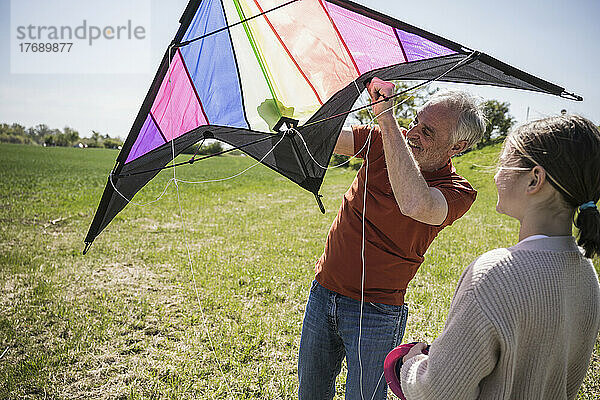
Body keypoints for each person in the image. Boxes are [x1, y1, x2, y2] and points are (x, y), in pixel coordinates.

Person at [298, 78, 486, 400]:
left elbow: (416, 203)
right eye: (415, 121)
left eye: (428, 132)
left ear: (457, 147)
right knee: (311, 393)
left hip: (376, 313)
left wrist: (386, 117)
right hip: (323, 292)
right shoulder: (381, 141)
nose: (412, 133)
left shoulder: (458, 190)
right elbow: (319, 139)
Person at [398, 115, 600, 399]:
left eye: (504, 164)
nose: (496, 175)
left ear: (534, 179)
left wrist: (410, 365)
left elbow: (436, 391)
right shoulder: (588, 274)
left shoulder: (494, 273)